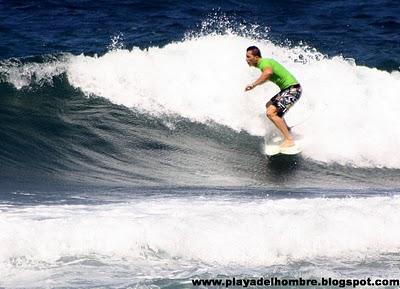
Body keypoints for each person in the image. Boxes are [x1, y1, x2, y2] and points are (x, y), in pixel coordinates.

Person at [245, 46, 302, 148]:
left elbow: (268, 73)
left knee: (270, 113)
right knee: (269, 105)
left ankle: (289, 140)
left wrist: (253, 85)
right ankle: (287, 129)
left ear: (256, 57)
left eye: (248, 57)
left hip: (293, 89)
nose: (246, 59)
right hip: (288, 89)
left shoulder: (263, 63)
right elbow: (268, 75)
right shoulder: (265, 63)